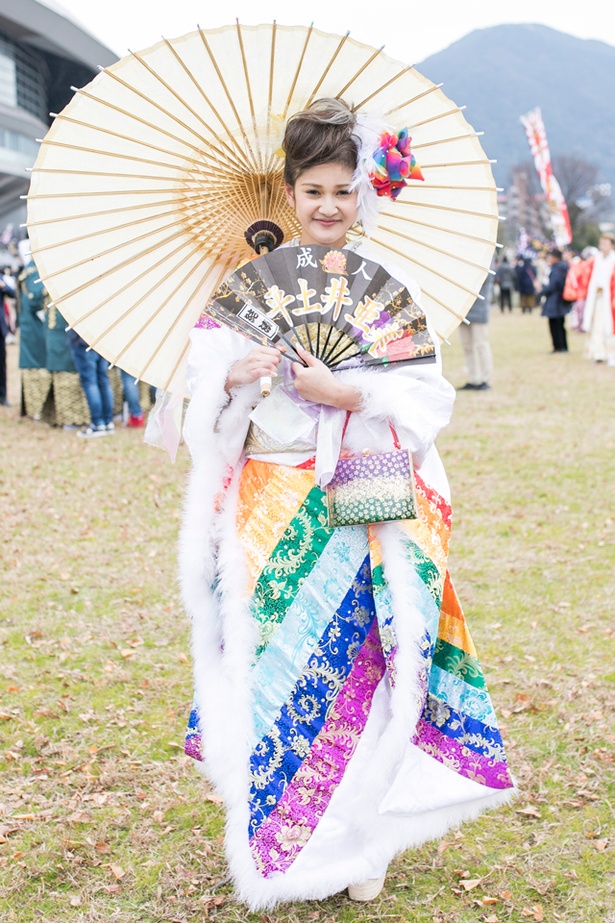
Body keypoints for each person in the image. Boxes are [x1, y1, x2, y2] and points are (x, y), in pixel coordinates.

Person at [179, 99, 514, 911]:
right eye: (311, 190)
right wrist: (232, 378)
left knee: (364, 668)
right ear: (288, 192)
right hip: (268, 504)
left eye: (341, 189)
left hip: (358, 505)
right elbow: (193, 412)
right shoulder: (243, 291)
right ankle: (285, 846)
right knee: (279, 671)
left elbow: (428, 401)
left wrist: (348, 389)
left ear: (362, 194)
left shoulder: (387, 289)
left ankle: (365, 842)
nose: (327, 205)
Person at [66, 329, 115, 437]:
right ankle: (107, 422)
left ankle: (98, 424)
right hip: (102, 340)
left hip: (83, 341)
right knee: (103, 381)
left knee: (90, 382)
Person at [578, 233, 615, 365]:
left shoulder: (613, 260)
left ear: (611, 245)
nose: (603, 246)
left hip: (610, 299)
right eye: (601, 243)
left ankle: (612, 354)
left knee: (610, 326)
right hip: (597, 297)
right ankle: (598, 353)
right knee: (597, 325)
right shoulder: (596, 260)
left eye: (606, 243)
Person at [458, 262, 495, 390]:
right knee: (467, 346)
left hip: (479, 309)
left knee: (481, 344)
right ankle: (474, 379)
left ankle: (485, 379)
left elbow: (482, 280)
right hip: (462, 309)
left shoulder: (487, 259)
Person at [539, 247, 571, 353]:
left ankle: (559, 347)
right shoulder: (562, 267)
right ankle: (561, 347)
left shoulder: (557, 269)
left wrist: (542, 290)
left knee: (556, 325)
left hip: (555, 301)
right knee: (560, 325)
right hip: (559, 300)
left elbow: (553, 285)